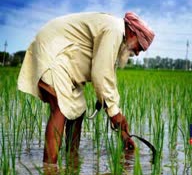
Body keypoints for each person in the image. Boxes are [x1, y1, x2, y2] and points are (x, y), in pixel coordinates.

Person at [17, 12, 155, 164]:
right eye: (139, 47)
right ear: (132, 33)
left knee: (78, 111)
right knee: (60, 108)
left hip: (66, 64)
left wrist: (121, 125)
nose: (136, 53)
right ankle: (50, 169)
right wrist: (114, 113)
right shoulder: (114, 30)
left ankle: (72, 162)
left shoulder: (116, 35)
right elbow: (101, 73)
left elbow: (108, 77)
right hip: (53, 53)